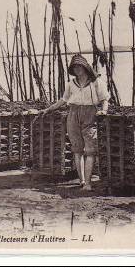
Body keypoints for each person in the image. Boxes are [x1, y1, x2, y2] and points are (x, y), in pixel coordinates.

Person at [38, 54, 110, 190]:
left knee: (90, 149)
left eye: (79, 66)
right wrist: (48, 109)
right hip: (73, 114)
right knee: (77, 149)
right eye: (74, 67)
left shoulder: (96, 82)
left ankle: (88, 184)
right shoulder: (71, 84)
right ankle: (81, 181)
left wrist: (104, 111)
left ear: (85, 67)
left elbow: (104, 99)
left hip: (90, 114)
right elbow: (63, 100)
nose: (77, 69)